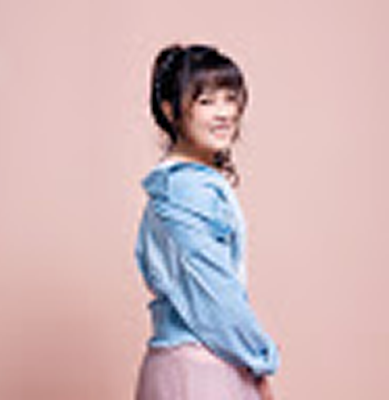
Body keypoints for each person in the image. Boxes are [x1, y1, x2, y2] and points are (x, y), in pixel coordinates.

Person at [134, 43, 281, 400]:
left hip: (185, 363)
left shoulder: (175, 186)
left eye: (230, 99)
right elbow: (216, 295)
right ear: (170, 110)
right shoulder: (185, 190)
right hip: (203, 368)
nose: (224, 113)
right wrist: (260, 360)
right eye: (206, 101)